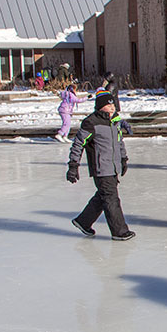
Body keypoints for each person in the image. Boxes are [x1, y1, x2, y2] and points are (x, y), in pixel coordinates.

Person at [66, 89, 135, 241]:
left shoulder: (115, 122)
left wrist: (123, 159)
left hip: (113, 167)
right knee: (111, 198)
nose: (112, 107)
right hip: (101, 168)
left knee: (103, 196)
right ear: (100, 106)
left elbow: (119, 142)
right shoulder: (91, 123)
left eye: (113, 105)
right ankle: (119, 231)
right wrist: (73, 165)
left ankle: (83, 221)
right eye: (109, 105)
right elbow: (78, 144)